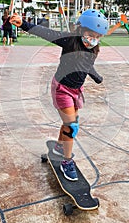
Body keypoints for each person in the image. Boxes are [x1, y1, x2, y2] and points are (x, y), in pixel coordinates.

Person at [10, 9, 108, 181]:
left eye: (98, 36)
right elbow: (47, 33)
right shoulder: (70, 41)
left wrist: (96, 76)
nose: (93, 39)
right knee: (71, 126)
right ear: (80, 29)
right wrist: (24, 24)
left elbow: (85, 64)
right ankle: (66, 162)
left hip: (76, 91)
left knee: (71, 123)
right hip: (62, 88)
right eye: (90, 34)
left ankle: (59, 147)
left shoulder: (93, 49)